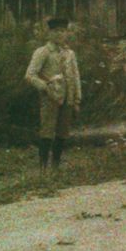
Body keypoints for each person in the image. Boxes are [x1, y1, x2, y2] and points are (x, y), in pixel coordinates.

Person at [25, 16, 81, 170]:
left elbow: (76, 77)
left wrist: (77, 100)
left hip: (67, 97)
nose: (59, 35)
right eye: (56, 31)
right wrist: (45, 86)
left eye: (63, 31)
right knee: (47, 130)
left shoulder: (70, 54)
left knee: (62, 132)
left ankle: (55, 164)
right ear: (49, 33)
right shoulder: (43, 52)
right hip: (50, 97)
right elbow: (30, 75)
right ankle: (43, 166)